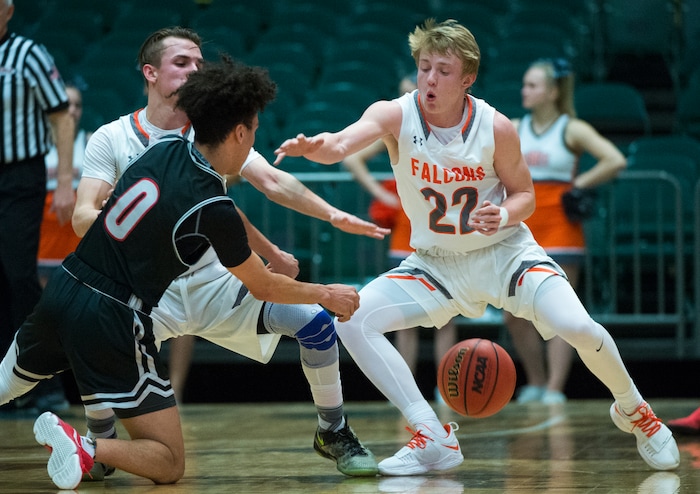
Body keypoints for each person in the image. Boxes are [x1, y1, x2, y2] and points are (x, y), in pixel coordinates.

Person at [274, 18, 680, 476]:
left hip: (505, 254)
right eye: (425, 66)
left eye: (443, 70)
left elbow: (524, 194)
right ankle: (431, 435)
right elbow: (343, 142)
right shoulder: (395, 113)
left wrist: (504, 214)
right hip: (436, 263)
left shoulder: (496, 126)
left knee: (581, 328)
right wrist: (317, 146)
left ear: (468, 77)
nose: (429, 78)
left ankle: (634, 411)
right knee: (353, 318)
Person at [0, 55, 376, 491]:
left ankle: (93, 443)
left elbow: (212, 213)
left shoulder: (164, 150)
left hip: (65, 289)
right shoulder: (209, 204)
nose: (254, 134)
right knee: (169, 464)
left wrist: (270, 248)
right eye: (253, 128)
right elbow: (262, 283)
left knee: (5, 383)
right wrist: (326, 293)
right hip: (115, 314)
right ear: (239, 132)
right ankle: (88, 446)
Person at [505, 58, 627, 405]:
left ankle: (555, 389)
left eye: (532, 85)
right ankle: (536, 381)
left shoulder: (571, 128)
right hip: (522, 228)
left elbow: (614, 159)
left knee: (563, 313)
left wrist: (577, 184)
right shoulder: (514, 126)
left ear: (553, 92)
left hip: (561, 227)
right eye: (524, 85)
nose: (524, 91)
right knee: (513, 314)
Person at [343, 74, 458, 404]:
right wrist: (383, 194)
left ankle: (447, 390)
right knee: (404, 321)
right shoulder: (397, 128)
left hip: (444, 232)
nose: (405, 100)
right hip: (408, 232)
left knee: (446, 318)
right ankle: (405, 394)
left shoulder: (449, 130)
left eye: (410, 93)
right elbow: (352, 158)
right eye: (401, 94)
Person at [0, 0, 74, 413]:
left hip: (19, 177)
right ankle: (5, 385)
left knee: (18, 274)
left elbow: (61, 116)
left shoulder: (27, 53)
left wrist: (63, 181)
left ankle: (40, 382)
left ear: (9, 9)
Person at [38, 82, 91, 287]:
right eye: (66, 104)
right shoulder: (36, 146)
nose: (72, 110)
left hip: (76, 240)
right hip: (43, 239)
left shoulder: (91, 142)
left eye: (77, 105)